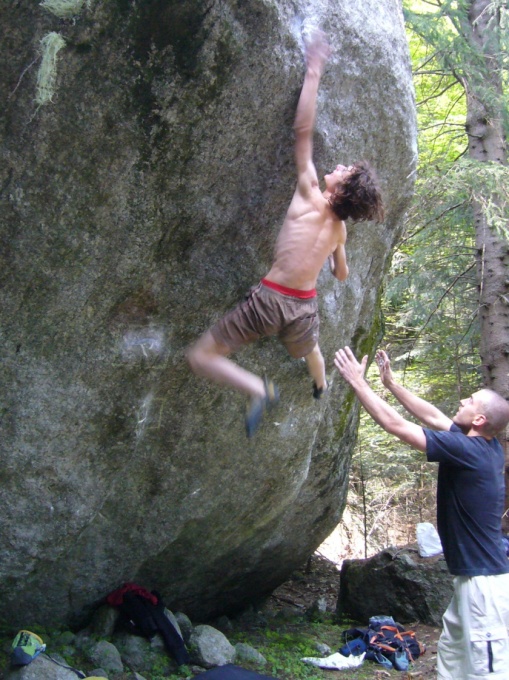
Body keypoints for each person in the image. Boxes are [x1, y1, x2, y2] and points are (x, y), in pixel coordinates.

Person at [187, 30, 384, 438]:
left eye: (345, 170)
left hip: (270, 301)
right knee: (308, 346)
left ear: (340, 189)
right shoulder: (340, 230)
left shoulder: (311, 192)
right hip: (303, 308)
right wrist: (333, 256)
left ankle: (259, 389)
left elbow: (303, 132)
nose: (340, 164)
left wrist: (314, 71)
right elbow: (342, 276)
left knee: (200, 357)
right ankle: (321, 382)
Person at [334, 345, 509, 680]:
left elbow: (395, 425)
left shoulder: (469, 450)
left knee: (488, 672)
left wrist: (358, 382)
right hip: (471, 581)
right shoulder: (485, 446)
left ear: (480, 420)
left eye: (469, 401)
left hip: (484, 587)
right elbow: (432, 417)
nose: (462, 402)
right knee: (453, 662)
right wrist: (391, 385)